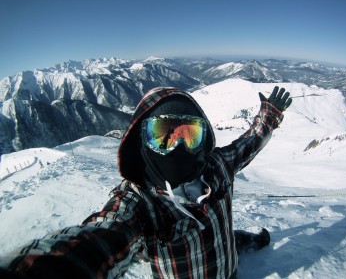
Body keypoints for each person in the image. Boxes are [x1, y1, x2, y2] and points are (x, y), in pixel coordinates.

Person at [0, 85, 292, 279]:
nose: (178, 146)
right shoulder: (140, 205)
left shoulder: (217, 166)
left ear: (205, 141)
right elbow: (104, 236)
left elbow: (249, 143)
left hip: (229, 271)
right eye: (162, 135)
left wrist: (269, 115)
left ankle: (236, 241)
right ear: (142, 141)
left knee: (223, 236)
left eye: (190, 135)